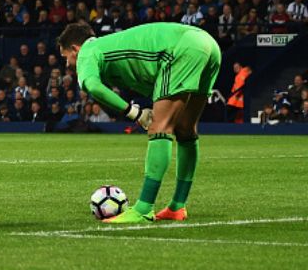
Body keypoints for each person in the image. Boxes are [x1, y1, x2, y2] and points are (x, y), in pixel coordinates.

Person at [58, 22, 220, 224]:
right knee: (185, 130)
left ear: (75, 48)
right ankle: (177, 206)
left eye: (66, 57)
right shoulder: (112, 46)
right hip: (208, 44)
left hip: (180, 48)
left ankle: (143, 209)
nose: (67, 64)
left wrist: (135, 114)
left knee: (159, 128)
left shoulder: (88, 50)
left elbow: (93, 86)